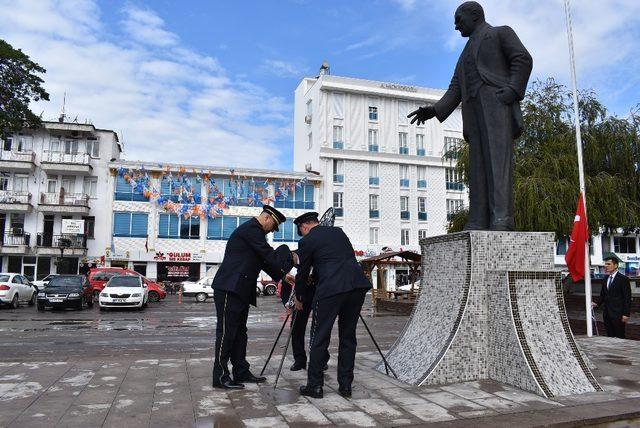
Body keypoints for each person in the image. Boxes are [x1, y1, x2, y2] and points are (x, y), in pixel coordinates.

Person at [408, 1, 532, 231]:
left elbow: (522, 58)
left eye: (458, 20)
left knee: (497, 162)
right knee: (477, 168)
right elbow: (455, 88)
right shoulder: (464, 54)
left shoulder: (499, 33)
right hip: (473, 111)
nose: (456, 27)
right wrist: (434, 110)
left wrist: (513, 90)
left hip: (496, 104)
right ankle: (478, 219)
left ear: (474, 15)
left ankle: (501, 219)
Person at [211, 206, 296, 389]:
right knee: (226, 333)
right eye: (273, 226)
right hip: (229, 288)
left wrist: (282, 276)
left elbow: (263, 260)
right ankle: (220, 377)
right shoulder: (251, 230)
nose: (272, 230)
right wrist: (289, 257)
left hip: (240, 289)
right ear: (266, 218)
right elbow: (268, 255)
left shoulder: (254, 234)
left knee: (240, 333)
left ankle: (241, 371)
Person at [294, 213, 372, 399]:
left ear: (304, 227)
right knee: (348, 337)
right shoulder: (338, 232)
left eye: (301, 231)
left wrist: (299, 296)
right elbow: (340, 259)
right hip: (356, 286)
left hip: (331, 290)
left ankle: (315, 386)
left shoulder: (308, 241)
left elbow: (303, 272)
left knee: (320, 336)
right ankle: (346, 386)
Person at [279, 212, 328, 372]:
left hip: (319, 293)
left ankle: (321, 359)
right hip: (301, 297)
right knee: (296, 327)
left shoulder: (316, 247)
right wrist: (289, 303)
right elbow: (286, 289)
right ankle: (299, 360)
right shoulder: (293, 258)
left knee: (319, 327)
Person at [592, 256, 631, 339]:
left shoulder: (623, 279)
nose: (606, 266)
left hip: (619, 314)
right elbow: (603, 295)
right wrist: (596, 304)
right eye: (605, 264)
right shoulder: (606, 278)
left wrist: (626, 314)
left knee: (619, 336)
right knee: (610, 336)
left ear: (616, 265)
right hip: (607, 313)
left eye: (608, 264)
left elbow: (627, 298)